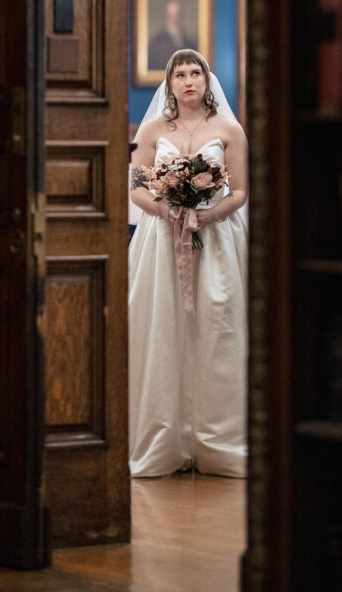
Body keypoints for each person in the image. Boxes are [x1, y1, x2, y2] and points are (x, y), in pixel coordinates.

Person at [128, 49, 248, 478]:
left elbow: (239, 193)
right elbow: (137, 188)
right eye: (180, 74)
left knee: (216, 326)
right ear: (170, 82)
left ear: (206, 78)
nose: (188, 80)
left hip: (214, 239)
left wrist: (208, 214)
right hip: (162, 238)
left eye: (195, 72)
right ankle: (168, 438)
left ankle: (215, 438)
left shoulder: (229, 129)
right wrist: (167, 210)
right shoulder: (153, 131)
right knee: (165, 324)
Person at [147, 0, 196, 71]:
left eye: (177, 15)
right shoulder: (157, 40)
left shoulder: (188, 40)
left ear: (181, 17)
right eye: (171, 15)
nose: (174, 18)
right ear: (167, 16)